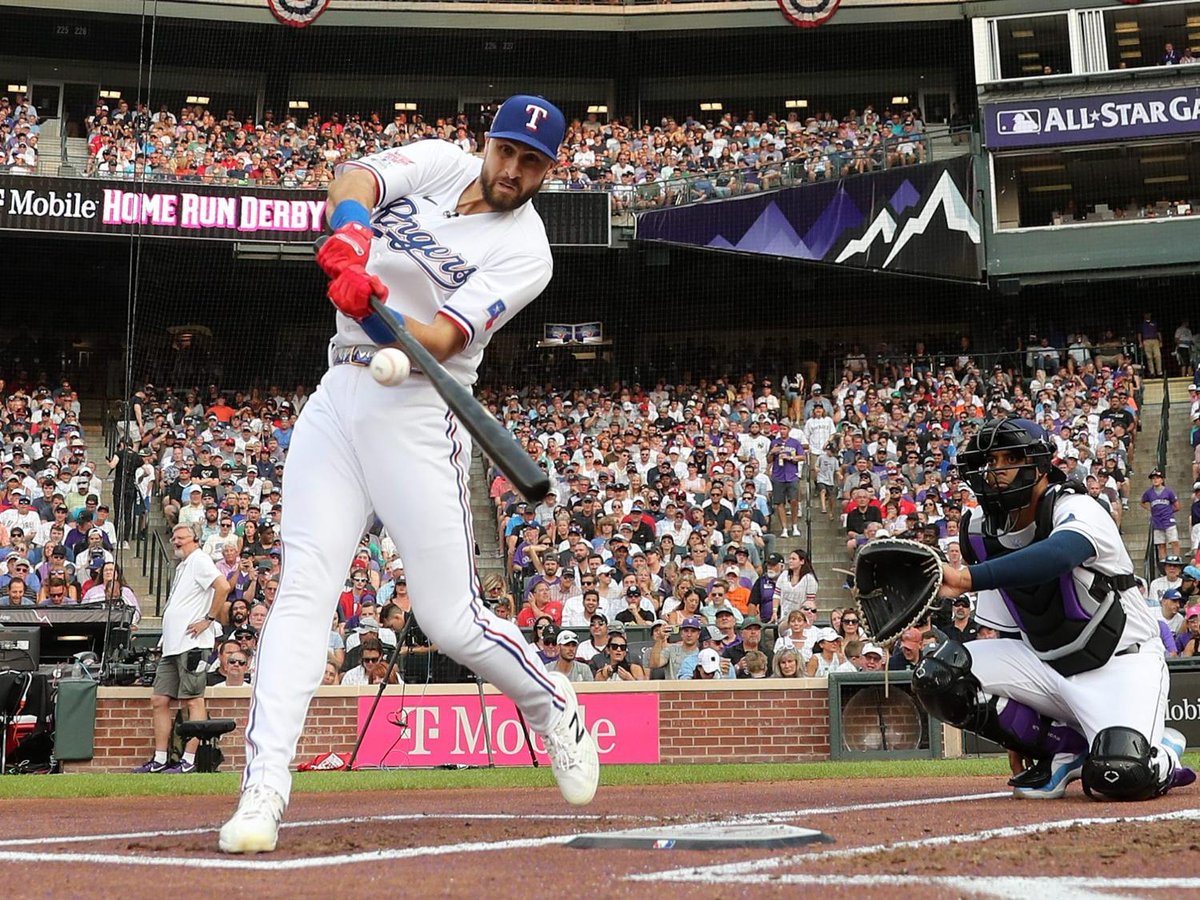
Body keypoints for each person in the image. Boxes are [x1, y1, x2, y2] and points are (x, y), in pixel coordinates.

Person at [220, 95, 598, 855]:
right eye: (507, 152)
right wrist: (351, 235)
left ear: (548, 173)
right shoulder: (439, 161)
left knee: (450, 618)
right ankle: (263, 788)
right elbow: (354, 177)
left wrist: (374, 302)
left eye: (532, 164)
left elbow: (443, 334)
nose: (513, 171)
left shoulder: (528, 250)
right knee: (303, 588)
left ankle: (551, 698)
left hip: (421, 405)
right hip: (338, 394)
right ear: (486, 143)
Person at [927, 419, 1193, 801]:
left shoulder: (1077, 505)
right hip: (1044, 663)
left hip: (1121, 663)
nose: (997, 470)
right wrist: (1011, 727)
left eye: (1011, 458)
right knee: (938, 673)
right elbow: (1010, 629)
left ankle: (1162, 752)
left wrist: (969, 579)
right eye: (991, 460)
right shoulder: (980, 530)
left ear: (1039, 465)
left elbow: (1060, 553)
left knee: (1120, 775)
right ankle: (1061, 750)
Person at [132, 523, 230, 775]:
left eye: (181, 537)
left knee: (192, 700)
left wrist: (208, 619)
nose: (175, 541)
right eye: (174, 537)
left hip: (194, 645)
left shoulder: (200, 560)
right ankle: (161, 758)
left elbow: (223, 587)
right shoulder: (183, 565)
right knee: (159, 699)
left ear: (194, 539)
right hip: (173, 646)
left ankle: (188, 759)